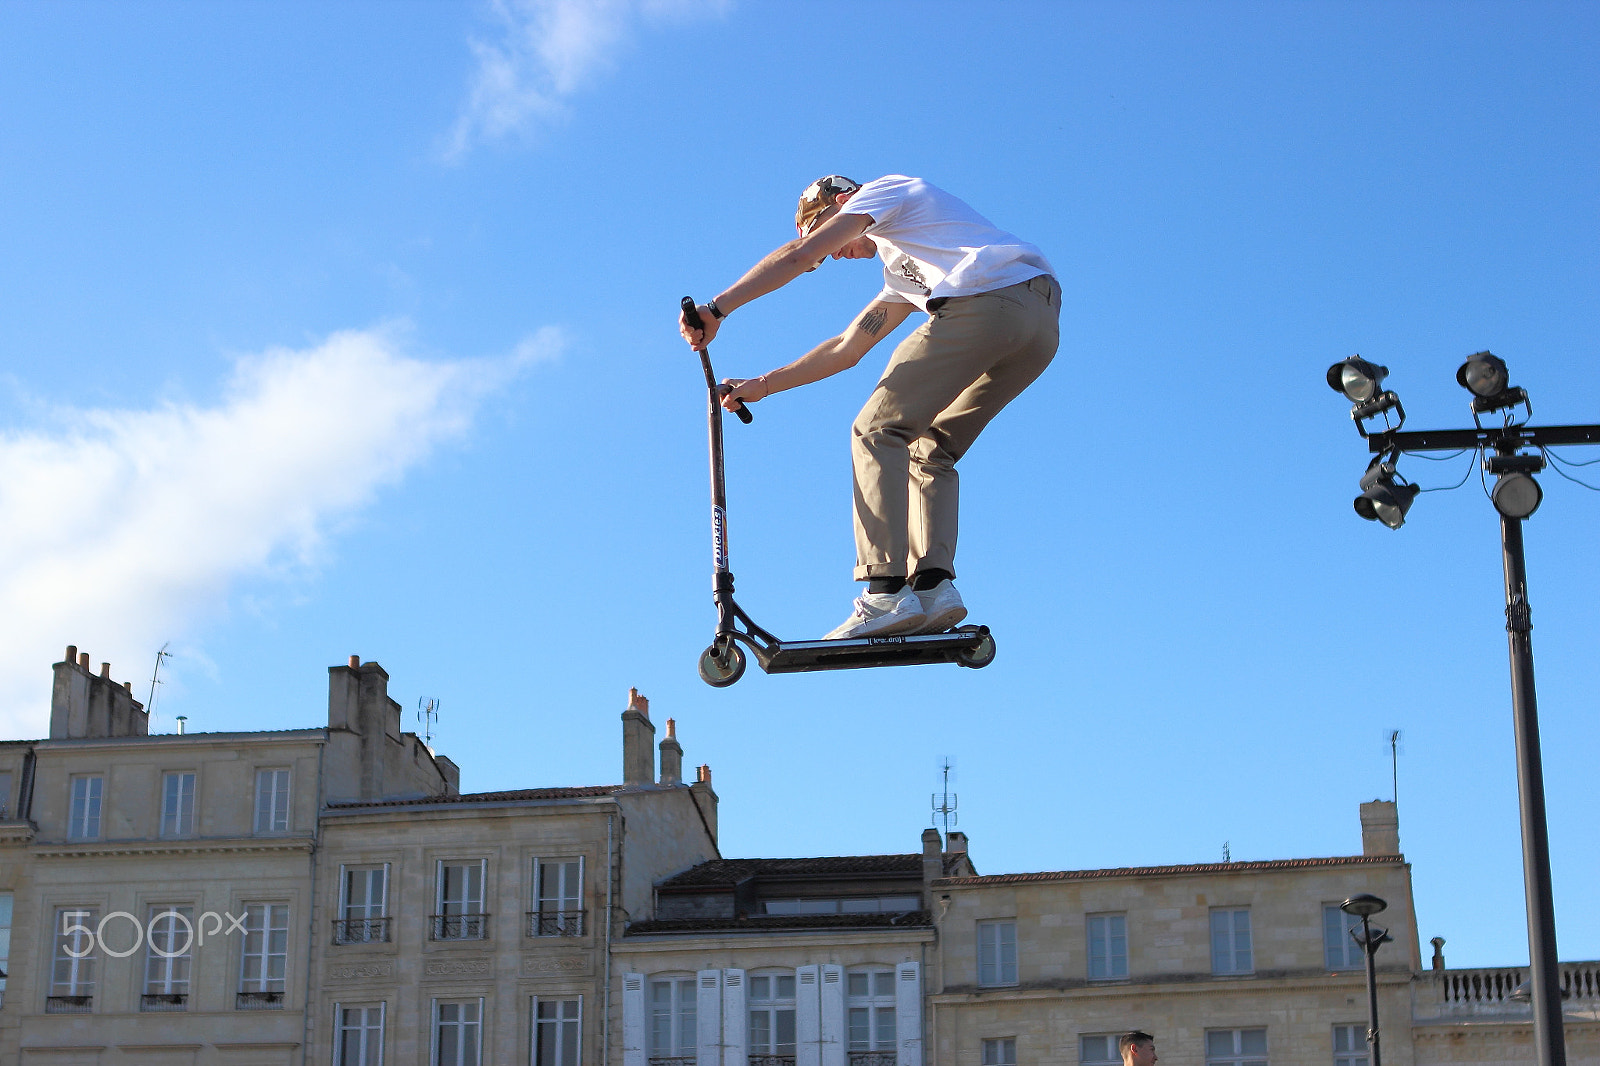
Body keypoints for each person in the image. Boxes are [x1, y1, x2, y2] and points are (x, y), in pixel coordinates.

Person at [679, 175, 1059, 640]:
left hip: (985, 302)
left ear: (843, 202)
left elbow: (800, 257)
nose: (830, 254)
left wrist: (717, 309)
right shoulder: (907, 266)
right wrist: (763, 385)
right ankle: (934, 588)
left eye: (825, 233)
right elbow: (846, 347)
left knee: (875, 429)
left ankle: (884, 593)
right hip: (1037, 323)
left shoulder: (884, 192)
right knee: (929, 448)